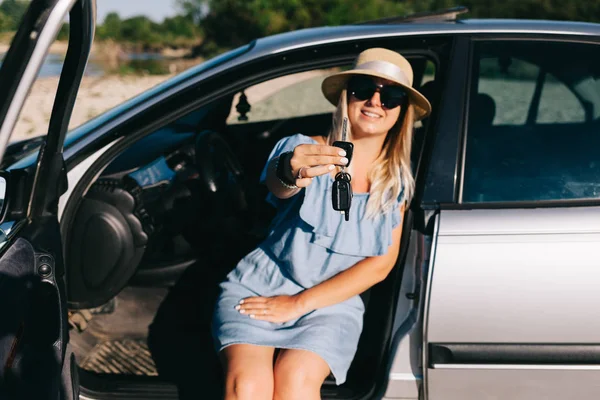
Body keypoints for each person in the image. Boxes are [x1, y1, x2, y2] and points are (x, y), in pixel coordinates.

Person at [211, 47, 432, 400]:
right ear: (346, 97)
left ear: (402, 112)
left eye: (390, 96)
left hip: (331, 304)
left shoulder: (396, 183)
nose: (376, 101)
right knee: (247, 387)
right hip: (260, 287)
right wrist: (289, 171)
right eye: (364, 89)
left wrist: (299, 303)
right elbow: (279, 183)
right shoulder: (305, 149)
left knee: (296, 383)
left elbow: (380, 265)